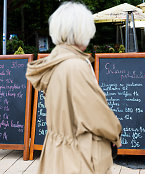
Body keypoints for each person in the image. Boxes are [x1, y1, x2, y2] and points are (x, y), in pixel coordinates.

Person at [26, 2, 122, 174]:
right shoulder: (75, 66)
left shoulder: (55, 62)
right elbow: (95, 114)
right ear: (81, 31)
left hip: (58, 151)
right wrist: (115, 132)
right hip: (78, 155)